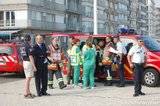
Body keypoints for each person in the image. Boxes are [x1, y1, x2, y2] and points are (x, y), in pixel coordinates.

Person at [20, 35, 35, 99]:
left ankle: (28, 92)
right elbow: (30, 56)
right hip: (28, 63)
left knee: (27, 78)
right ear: (29, 39)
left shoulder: (22, 46)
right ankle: (26, 93)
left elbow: (21, 55)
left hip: (24, 62)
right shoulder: (28, 46)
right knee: (28, 79)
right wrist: (34, 66)